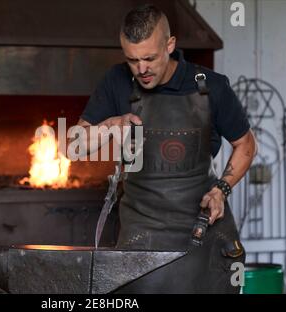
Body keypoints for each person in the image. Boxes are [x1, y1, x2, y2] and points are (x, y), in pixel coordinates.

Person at [77, 4, 257, 293]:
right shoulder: (116, 81)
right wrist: (109, 125)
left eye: (149, 58)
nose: (142, 69)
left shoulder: (211, 86)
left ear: (170, 45)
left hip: (202, 228)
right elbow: (74, 145)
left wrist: (221, 189)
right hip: (141, 232)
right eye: (132, 60)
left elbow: (245, 144)